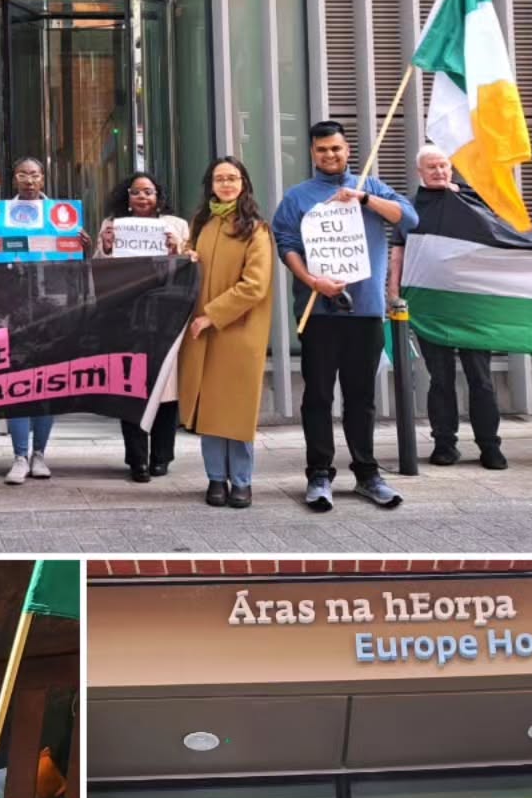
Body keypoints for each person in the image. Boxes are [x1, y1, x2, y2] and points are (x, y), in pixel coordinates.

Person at [273, 120, 418, 513]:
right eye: (322, 150)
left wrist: (365, 199)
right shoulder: (297, 196)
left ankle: (367, 472)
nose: (329, 155)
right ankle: (319, 473)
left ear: (347, 150)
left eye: (335, 149)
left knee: (361, 397)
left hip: (366, 309)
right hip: (317, 310)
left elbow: (409, 219)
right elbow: (285, 244)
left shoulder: (370, 186)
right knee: (317, 396)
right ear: (312, 154)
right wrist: (311, 281)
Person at [387, 145, 507, 471]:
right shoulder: (409, 209)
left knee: (480, 379)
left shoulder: (472, 201)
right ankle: (444, 444)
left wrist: (463, 203)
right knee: (440, 378)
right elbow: (398, 252)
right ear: (420, 173)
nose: (439, 172)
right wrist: (393, 293)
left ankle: (490, 446)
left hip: (470, 304)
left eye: (443, 166)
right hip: (430, 305)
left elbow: (498, 237)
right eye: (432, 168)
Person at [176, 156, 275, 508]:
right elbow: (194, 267)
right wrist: (186, 258)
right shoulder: (202, 223)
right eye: (220, 179)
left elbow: (255, 286)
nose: (227, 184)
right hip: (203, 332)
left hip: (238, 330)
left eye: (233, 178)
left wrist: (212, 315)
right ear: (211, 185)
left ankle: (242, 481)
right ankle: (216, 479)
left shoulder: (256, 229)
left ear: (244, 183)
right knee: (210, 411)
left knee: (236, 410)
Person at [97, 171, 189, 482]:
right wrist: (106, 248)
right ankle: (137, 459)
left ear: (158, 196)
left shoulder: (177, 226)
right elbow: (98, 271)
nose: (142, 197)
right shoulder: (111, 225)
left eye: (148, 192)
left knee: (166, 388)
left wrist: (177, 249)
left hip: (167, 315)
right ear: (127, 197)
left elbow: (191, 267)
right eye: (136, 192)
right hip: (128, 316)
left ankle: (162, 457)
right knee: (131, 386)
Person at [3, 156, 89, 486]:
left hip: (53, 311)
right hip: (14, 312)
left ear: (43, 178)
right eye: (22, 173)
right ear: (14, 178)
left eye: (35, 174)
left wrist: (83, 246)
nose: (29, 179)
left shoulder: (63, 216)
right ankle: (19, 455)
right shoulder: (0, 217)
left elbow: (74, 267)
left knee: (47, 384)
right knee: (18, 385)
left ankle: (39, 453)